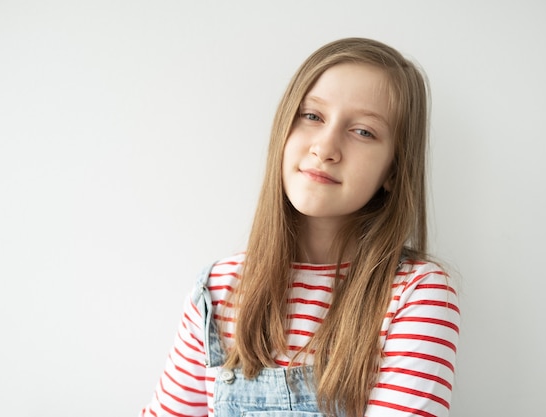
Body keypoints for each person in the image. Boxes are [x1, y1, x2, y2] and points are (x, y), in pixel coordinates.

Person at [140, 37, 460, 417]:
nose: (325, 148)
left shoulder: (416, 293)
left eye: (363, 132)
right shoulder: (218, 288)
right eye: (312, 116)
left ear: (392, 170)